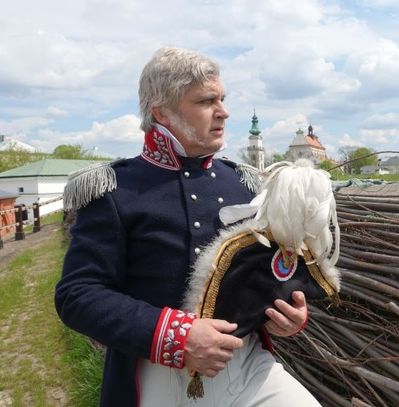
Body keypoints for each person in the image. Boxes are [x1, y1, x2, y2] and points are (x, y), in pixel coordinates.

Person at [55, 47, 321, 406]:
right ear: (161, 111)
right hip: (157, 375)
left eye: (222, 99)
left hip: (248, 366)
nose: (224, 111)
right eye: (206, 101)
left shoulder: (243, 182)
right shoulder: (114, 190)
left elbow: (264, 274)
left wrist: (286, 312)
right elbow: (77, 294)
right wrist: (176, 337)